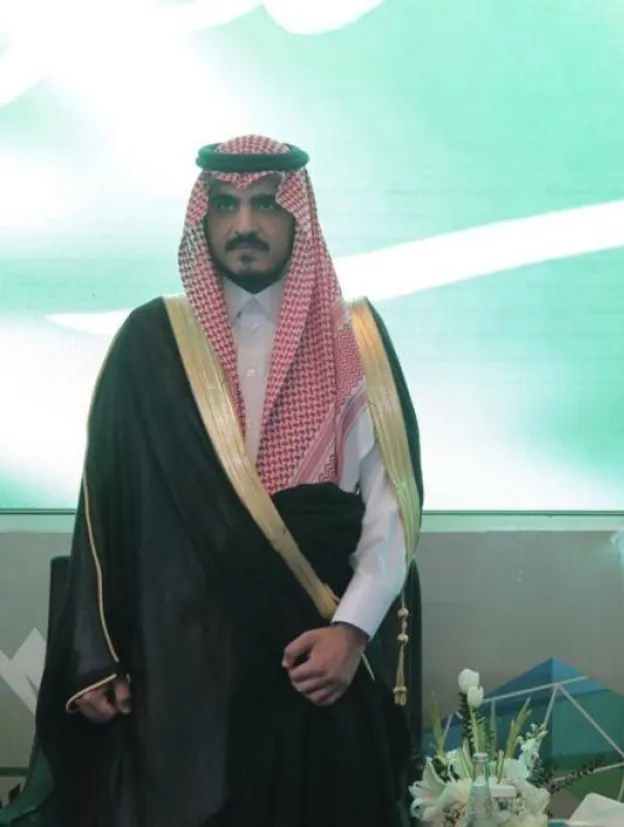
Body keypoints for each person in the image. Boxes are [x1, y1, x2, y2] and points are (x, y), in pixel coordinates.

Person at [32, 135, 424, 826]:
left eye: (267, 203)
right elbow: (103, 509)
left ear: (298, 215)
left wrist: (352, 631)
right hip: (181, 675)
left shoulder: (355, 337)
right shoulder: (151, 343)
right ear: (202, 219)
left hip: (312, 658)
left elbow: (391, 507)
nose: (245, 224)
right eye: (225, 205)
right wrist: (97, 656)